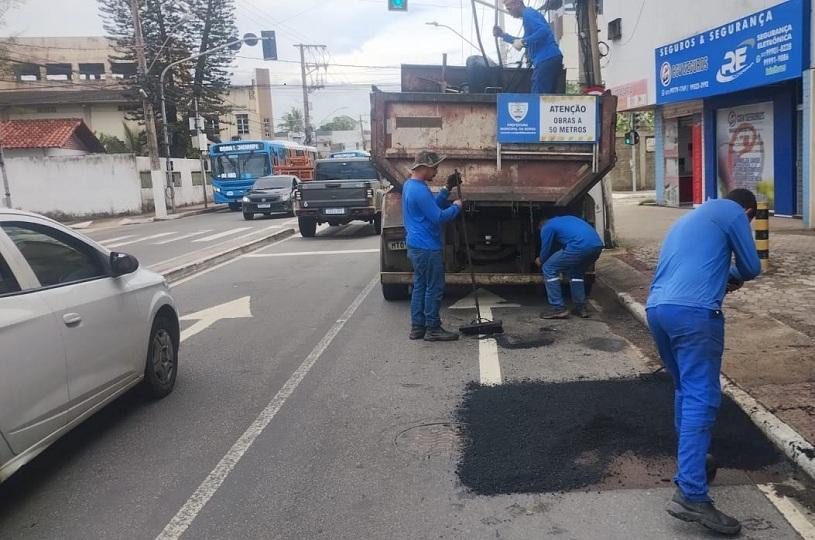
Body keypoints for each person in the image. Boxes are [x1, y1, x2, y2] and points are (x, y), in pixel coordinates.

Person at [646, 189, 761, 536]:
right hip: (694, 315)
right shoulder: (733, 213)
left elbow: (695, 264)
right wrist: (736, 275)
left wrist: (722, 276)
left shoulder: (691, 217)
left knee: (684, 388)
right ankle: (692, 494)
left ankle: (694, 463)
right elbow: (752, 267)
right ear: (749, 210)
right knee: (702, 396)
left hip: (657, 309)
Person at [402, 151, 463, 342]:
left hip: (415, 245)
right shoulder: (419, 190)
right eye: (434, 167)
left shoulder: (410, 185)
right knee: (434, 287)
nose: (436, 171)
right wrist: (457, 207)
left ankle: (418, 327)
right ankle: (433, 328)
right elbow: (438, 217)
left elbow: (430, 208)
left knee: (420, 285)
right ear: (423, 168)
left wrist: (446, 189)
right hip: (427, 246)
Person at [535, 213, 604, 319]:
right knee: (576, 272)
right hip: (596, 246)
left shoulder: (546, 227)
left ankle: (558, 308)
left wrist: (541, 260)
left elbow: (546, 249)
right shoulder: (568, 219)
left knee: (549, 268)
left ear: (540, 226)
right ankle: (581, 307)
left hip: (579, 246)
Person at [493, 0, 564, 94]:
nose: (509, 12)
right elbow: (524, 41)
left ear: (517, 3)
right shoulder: (530, 15)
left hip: (546, 58)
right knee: (547, 96)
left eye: (509, 8)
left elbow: (544, 31)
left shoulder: (528, 14)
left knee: (538, 96)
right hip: (551, 58)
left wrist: (524, 41)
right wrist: (503, 35)